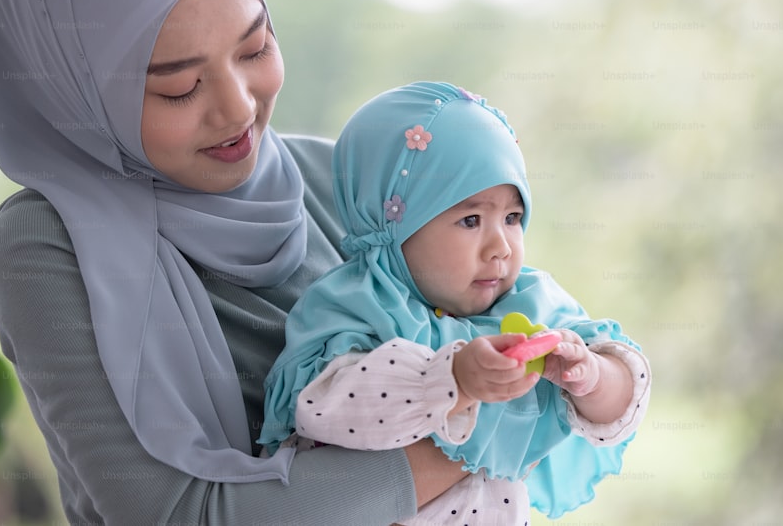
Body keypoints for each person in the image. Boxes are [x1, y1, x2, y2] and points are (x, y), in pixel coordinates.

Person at [0, 0, 474, 523]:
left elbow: (522, 344)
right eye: (178, 87)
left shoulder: (341, 180)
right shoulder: (43, 245)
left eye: (254, 47)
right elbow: (180, 513)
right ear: (71, 87)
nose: (239, 108)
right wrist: (475, 442)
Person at [259, 82, 652, 523]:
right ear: (393, 226)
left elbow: (624, 390)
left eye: (512, 217)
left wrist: (593, 378)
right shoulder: (359, 305)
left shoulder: (530, 302)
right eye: (470, 219)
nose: (501, 246)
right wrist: (450, 380)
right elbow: (326, 407)